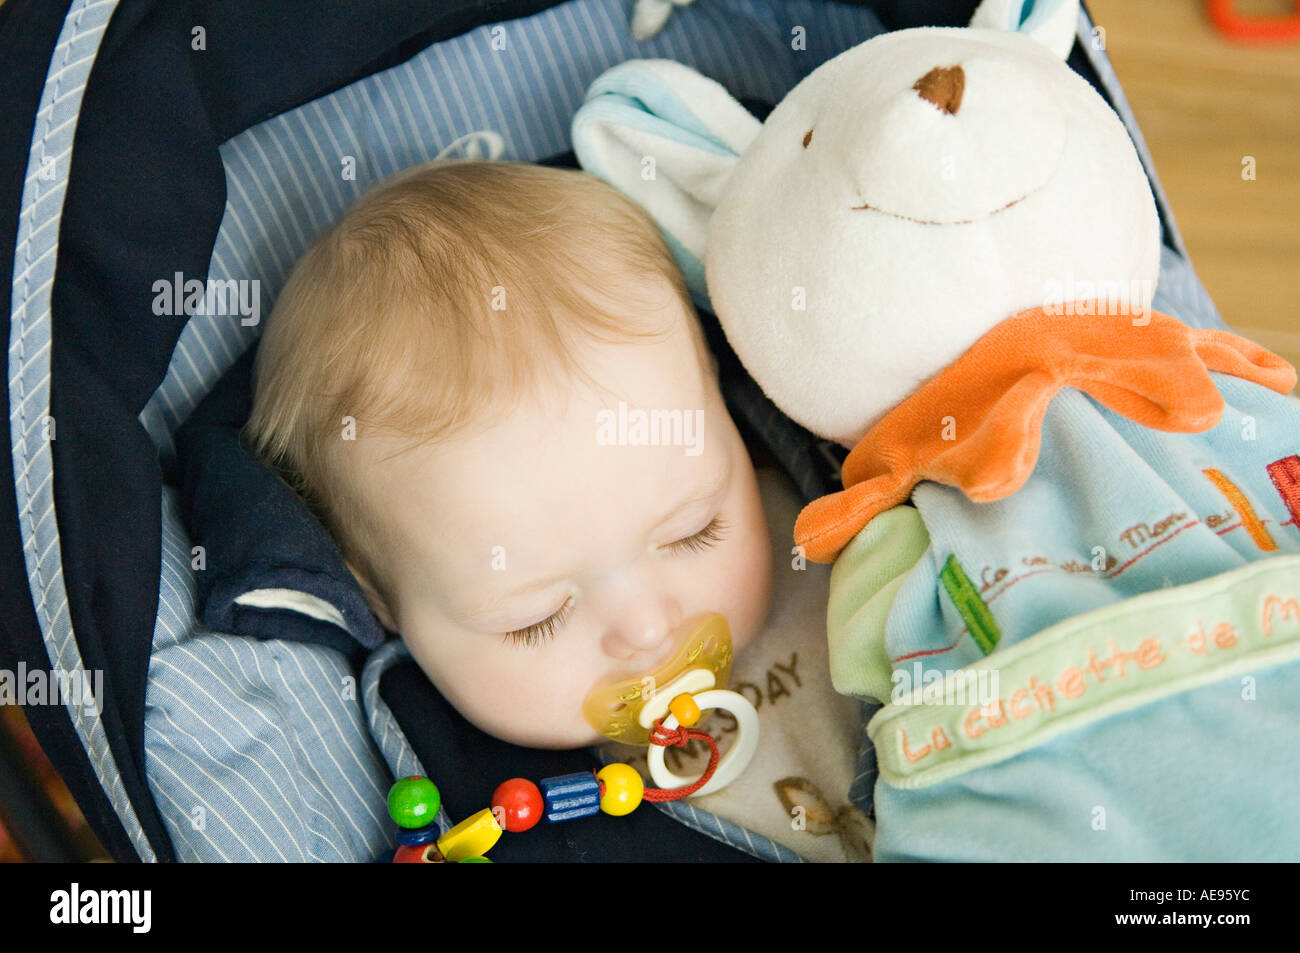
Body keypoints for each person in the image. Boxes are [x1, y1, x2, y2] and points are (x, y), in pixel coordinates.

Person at [244, 158, 869, 861]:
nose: (647, 627)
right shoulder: (461, 807)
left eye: (696, 530)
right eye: (535, 615)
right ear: (377, 597)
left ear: (725, 404)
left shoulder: (853, 519)